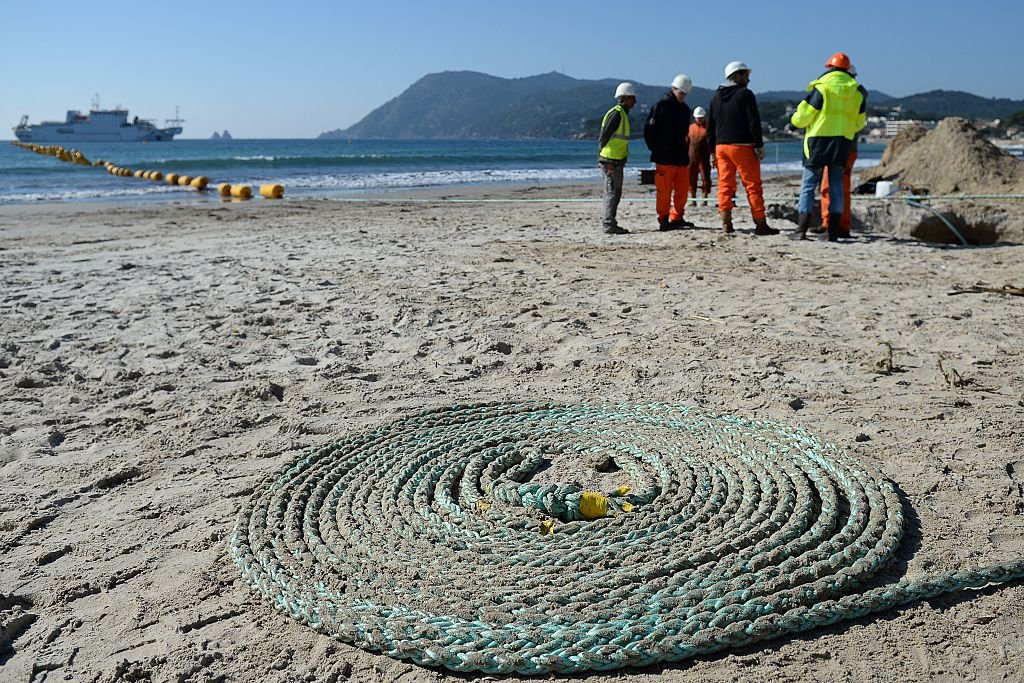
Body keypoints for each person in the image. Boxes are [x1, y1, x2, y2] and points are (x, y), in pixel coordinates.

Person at [789, 52, 867, 242]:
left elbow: (804, 115)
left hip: (817, 142)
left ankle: (801, 230)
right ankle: (833, 232)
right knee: (836, 187)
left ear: (830, 67)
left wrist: (794, 123)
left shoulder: (823, 87)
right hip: (842, 143)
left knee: (808, 186)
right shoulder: (857, 92)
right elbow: (859, 123)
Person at [707, 61, 777, 235]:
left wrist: (711, 151)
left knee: (725, 185)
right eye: (746, 75)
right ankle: (760, 224)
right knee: (752, 185)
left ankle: (726, 224)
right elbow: (753, 122)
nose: (748, 79)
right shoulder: (745, 94)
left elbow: (710, 127)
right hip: (742, 146)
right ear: (737, 76)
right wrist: (759, 145)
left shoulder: (715, 97)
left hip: (721, 147)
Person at [644, 74, 694, 230]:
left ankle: (677, 217)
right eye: (681, 93)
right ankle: (663, 218)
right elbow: (649, 131)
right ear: (673, 89)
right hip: (664, 157)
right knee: (664, 191)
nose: (683, 96)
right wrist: (657, 149)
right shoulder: (660, 106)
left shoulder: (685, 110)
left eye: (685, 94)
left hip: (680, 157)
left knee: (682, 190)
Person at [818, 63, 861, 237]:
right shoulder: (857, 93)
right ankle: (838, 224)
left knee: (831, 187)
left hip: (836, 147)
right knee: (840, 187)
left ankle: (833, 224)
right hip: (848, 147)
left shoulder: (838, 92)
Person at [598, 82, 637, 235]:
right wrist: (603, 158)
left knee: (615, 192)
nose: (635, 101)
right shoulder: (616, 113)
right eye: (633, 98)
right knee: (612, 192)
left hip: (616, 160)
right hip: (610, 160)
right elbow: (604, 136)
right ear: (626, 98)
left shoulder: (622, 114)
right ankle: (608, 224)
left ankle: (610, 222)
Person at [688, 106, 712, 207]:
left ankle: (704, 199)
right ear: (695, 118)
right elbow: (687, 142)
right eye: (698, 117)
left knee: (705, 178)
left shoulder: (709, 128)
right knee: (691, 178)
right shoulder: (691, 128)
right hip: (691, 156)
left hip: (704, 156)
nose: (700, 119)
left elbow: (712, 143)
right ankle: (693, 199)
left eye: (701, 117)